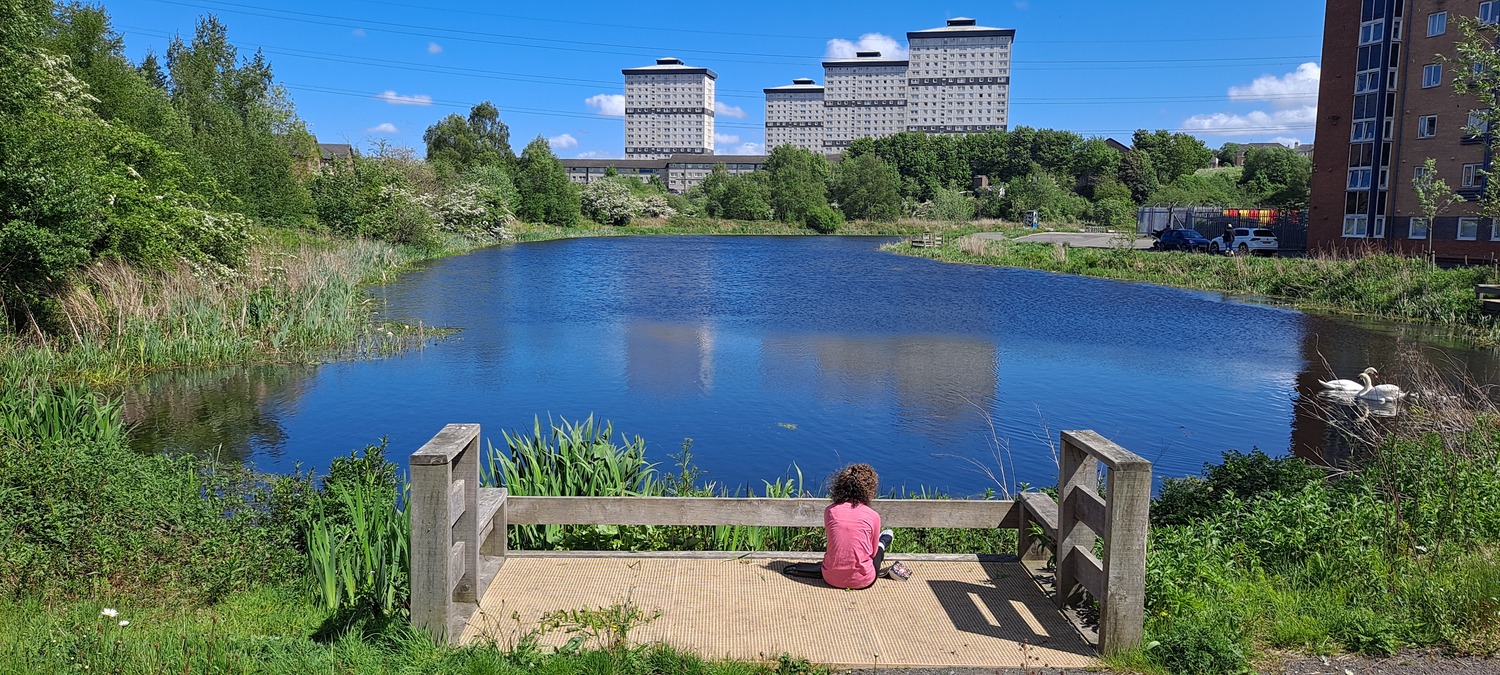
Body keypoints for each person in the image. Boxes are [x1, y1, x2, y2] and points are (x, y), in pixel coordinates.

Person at [782, 464, 902, 589]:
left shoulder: (830, 511)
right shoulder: (873, 516)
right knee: (878, 552)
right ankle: (883, 542)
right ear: (870, 489)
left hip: (829, 577)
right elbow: (872, 553)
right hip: (863, 581)